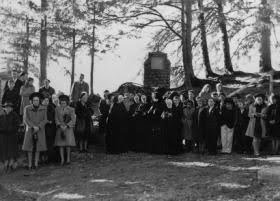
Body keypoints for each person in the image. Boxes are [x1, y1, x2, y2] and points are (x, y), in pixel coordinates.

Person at [22, 92, 48, 169]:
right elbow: (25, 119)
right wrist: (33, 126)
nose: (36, 101)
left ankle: (36, 164)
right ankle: (30, 165)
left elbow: (45, 119)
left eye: (37, 100)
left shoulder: (43, 108)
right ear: (32, 101)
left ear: (39, 101)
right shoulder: (27, 108)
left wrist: (38, 127)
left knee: (38, 148)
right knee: (29, 148)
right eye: (34, 100)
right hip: (30, 129)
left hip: (40, 130)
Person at [54, 95, 76, 165]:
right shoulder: (57, 109)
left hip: (68, 128)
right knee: (61, 145)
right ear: (60, 102)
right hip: (60, 128)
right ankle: (62, 159)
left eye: (64, 103)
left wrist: (67, 126)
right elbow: (56, 118)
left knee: (68, 144)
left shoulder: (71, 109)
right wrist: (60, 125)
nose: (63, 104)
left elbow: (73, 119)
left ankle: (68, 159)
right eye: (62, 103)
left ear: (67, 102)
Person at [0, 102, 21, 172]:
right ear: (4, 108)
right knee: (4, 151)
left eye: (9, 107)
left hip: (12, 136)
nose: (8, 108)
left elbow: (17, 124)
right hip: (3, 136)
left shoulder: (15, 115)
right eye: (6, 107)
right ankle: (6, 165)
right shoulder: (1, 115)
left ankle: (10, 165)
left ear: (11, 108)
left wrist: (11, 130)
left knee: (12, 151)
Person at [41, 95, 57, 163]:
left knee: (50, 143)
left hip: (50, 128)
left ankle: (50, 158)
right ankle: (42, 158)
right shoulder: (40, 108)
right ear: (42, 101)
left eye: (47, 100)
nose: (46, 102)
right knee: (42, 143)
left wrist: (50, 121)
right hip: (42, 128)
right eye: (45, 100)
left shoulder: (52, 107)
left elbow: (54, 117)